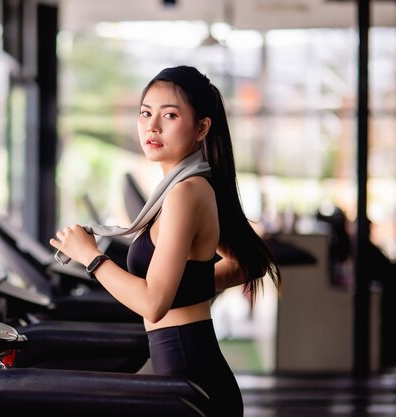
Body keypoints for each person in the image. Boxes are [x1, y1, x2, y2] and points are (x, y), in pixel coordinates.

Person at [49, 65, 281, 417]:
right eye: (145, 113)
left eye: (169, 115)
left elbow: (153, 304)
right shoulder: (188, 187)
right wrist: (190, 287)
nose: (152, 126)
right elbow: (250, 263)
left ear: (202, 127)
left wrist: (91, 257)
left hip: (191, 376)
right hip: (187, 370)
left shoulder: (185, 194)